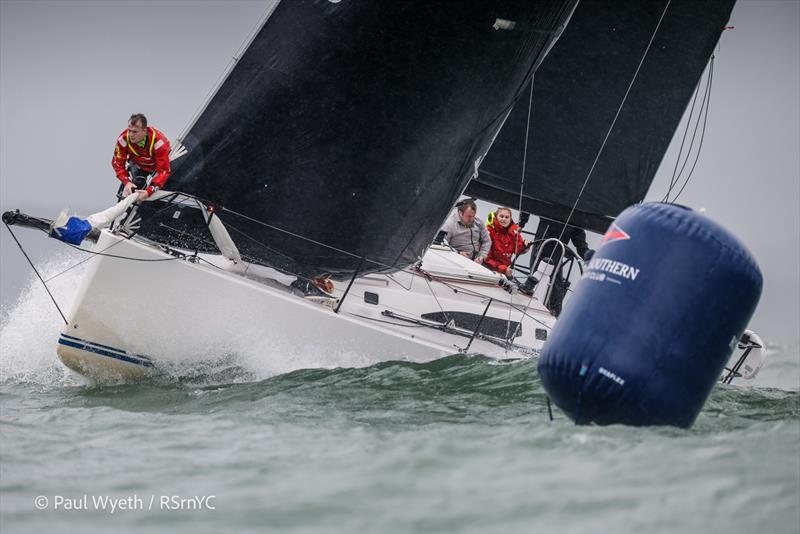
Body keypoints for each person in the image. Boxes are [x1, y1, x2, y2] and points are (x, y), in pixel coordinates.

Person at [520, 216, 595, 316]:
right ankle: (525, 308)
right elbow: (529, 204)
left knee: (556, 293)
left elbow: (581, 243)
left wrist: (589, 257)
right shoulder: (548, 210)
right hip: (540, 251)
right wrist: (522, 222)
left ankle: (553, 316)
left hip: (556, 257)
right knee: (534, 282)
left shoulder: (577, 220)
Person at [112, 113, 171, 201]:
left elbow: (164, 171)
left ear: (144, 130)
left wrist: (149, 191)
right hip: (138, 165)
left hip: (159, 166)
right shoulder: (123, 139)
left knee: (160, 188)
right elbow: (117, 164)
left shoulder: (159, 143)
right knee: (136, 186)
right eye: (129, 130)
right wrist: (127, 182)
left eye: (135, 132)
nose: (131, 134)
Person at [438, 199, 491, 264]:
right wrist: (458, 253)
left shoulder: (478, 222)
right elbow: (441, 244)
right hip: (457, 260)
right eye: (469, 216)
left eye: (473, 216)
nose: (472, 219)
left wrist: (482, 256)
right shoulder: (449, 224)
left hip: (477, 261)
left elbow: (487, 241)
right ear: (460, 213)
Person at [485, 207, 532, 278]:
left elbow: (518, 250)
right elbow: (486, 257)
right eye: (501, 216)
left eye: (507, 217)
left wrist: (525, 245)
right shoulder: (488, 232)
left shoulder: (514, 232)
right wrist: (503, 269)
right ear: (496, 217)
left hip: (505, 272)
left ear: (510, 219)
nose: (504, 219)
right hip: (488, 270)